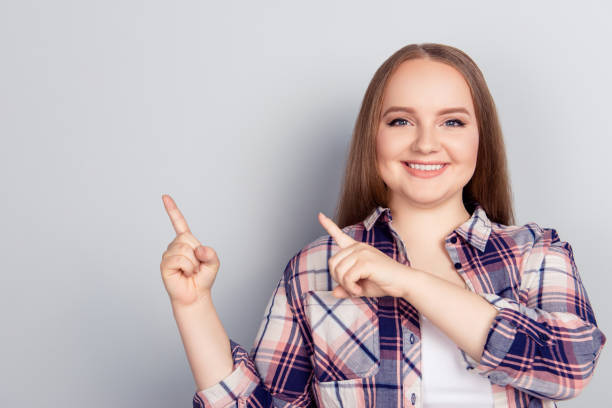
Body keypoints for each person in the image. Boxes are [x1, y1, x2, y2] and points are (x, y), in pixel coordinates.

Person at [159, 43, 606, 408]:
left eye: (452, 121)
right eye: (400, 121)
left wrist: (410, 283)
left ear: (480, 139)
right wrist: (194, 306)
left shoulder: (536, 254)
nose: (426, 143)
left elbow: (572, 364)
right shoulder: (315, 267)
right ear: (372, 136)